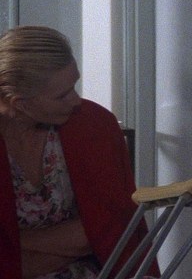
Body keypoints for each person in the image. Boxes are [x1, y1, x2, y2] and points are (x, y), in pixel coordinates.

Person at [0, 26, 157, 279]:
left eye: (74, 86)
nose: (75, 100)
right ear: (21, 104)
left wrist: (15, 243)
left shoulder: (94, 124)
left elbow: (112, 229)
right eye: (62, 95)